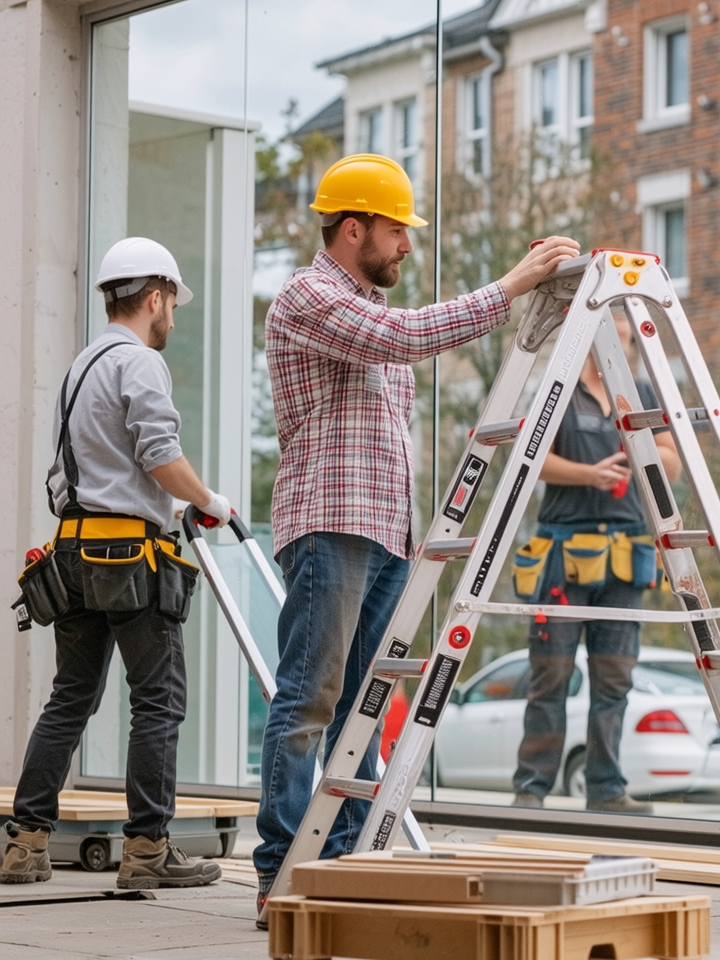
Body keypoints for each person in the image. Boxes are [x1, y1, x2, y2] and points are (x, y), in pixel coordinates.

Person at [252, 153, 580, 918]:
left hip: (385, 531)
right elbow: (404, 337)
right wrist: (511, 287)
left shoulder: (362, 301)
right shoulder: (309, 297)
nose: (407, 247)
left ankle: (346, 860)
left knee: (363, 705)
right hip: (331, 524)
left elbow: (399, 345)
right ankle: (281, 868)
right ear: (355, 227)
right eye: (398, 232)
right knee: (310, 698)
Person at [2, 238, 232, 889]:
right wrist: (207, 499)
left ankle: (25, 845)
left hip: (71, 553)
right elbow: (159, 453)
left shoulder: (80, 367)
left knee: (69, 699)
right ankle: (147, 851)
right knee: (157, 701)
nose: (173, 319)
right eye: (172, 305)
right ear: (154, 297)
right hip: (131, 557)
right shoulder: (139, 363)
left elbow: (59, 479)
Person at [511, 312, 682, 813]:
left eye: (624, 336)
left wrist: (634, 449)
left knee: (614, 678)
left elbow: (670, 460)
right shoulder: (559, 389)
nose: (619, 343)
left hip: (625, 553)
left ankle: (606, 789)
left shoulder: (642, 393)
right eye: (610, 334)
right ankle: (532, 788)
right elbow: (533, 459)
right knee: (550, 675)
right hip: (564, 553)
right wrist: (590, 474)